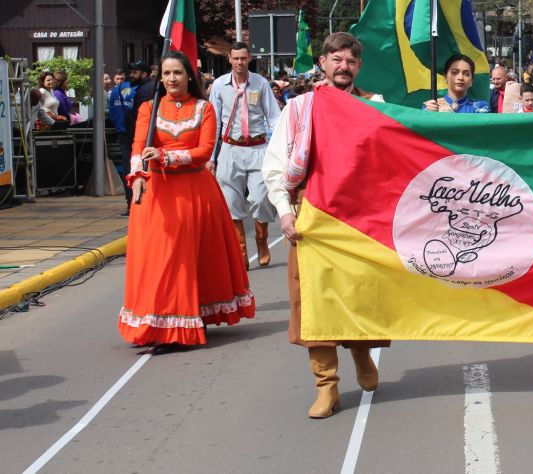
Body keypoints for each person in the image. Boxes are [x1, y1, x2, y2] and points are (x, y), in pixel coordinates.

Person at [262, 32, 387, 419]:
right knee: (312, 302)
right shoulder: (299, 108)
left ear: (358, 66)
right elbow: (275, 166)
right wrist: (284, 211)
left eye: (350, 60)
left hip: (359, 220)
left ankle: (363, 354)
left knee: (359, 295)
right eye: (336, 60)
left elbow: (397, 155)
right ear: (323, 63)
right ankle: (326, 385)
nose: (343, 67)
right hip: (311, 220)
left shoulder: (376, 107)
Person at [119, 50, 254, 347]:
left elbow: (205, 151)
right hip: (157, 196)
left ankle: (184, 318)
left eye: (177, 73)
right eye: (166, 73)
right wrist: (138, 176)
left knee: (187, 259)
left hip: (194, 192)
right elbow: (138, 147)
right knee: (162, 260)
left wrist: (166, 156)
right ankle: (161, 321)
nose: (171, 79)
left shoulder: (204, 108)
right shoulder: (147, 109)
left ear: (188, 76)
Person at [208, 42, 283, 269]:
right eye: (235, 58)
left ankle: (261, 239)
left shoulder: (260, 83)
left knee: (261, 198)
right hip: (230, 148)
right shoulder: (220, 85)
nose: (239, 62)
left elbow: (273, 116)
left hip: (258, 147)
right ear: (229, 60)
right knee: (230, 202)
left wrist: (279, 148)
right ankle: (240, 248)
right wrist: (211, 157)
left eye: (243, 58)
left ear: (249, 58)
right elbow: (213, 125)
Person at [108, 67, 136, 214]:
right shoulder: (137, 89)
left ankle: (130, 203)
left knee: (127, 168)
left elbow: (111, 111)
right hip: (137, 133)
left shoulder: (115, 91)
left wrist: (119, 124)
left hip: (122, 132)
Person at [423, 54, 490, 113]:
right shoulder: (432, 107)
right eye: (454, 73)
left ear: (471, 81)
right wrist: (428, 116)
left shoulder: (480, 108)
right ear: (445, 77)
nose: (460, 78)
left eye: (466, 74)